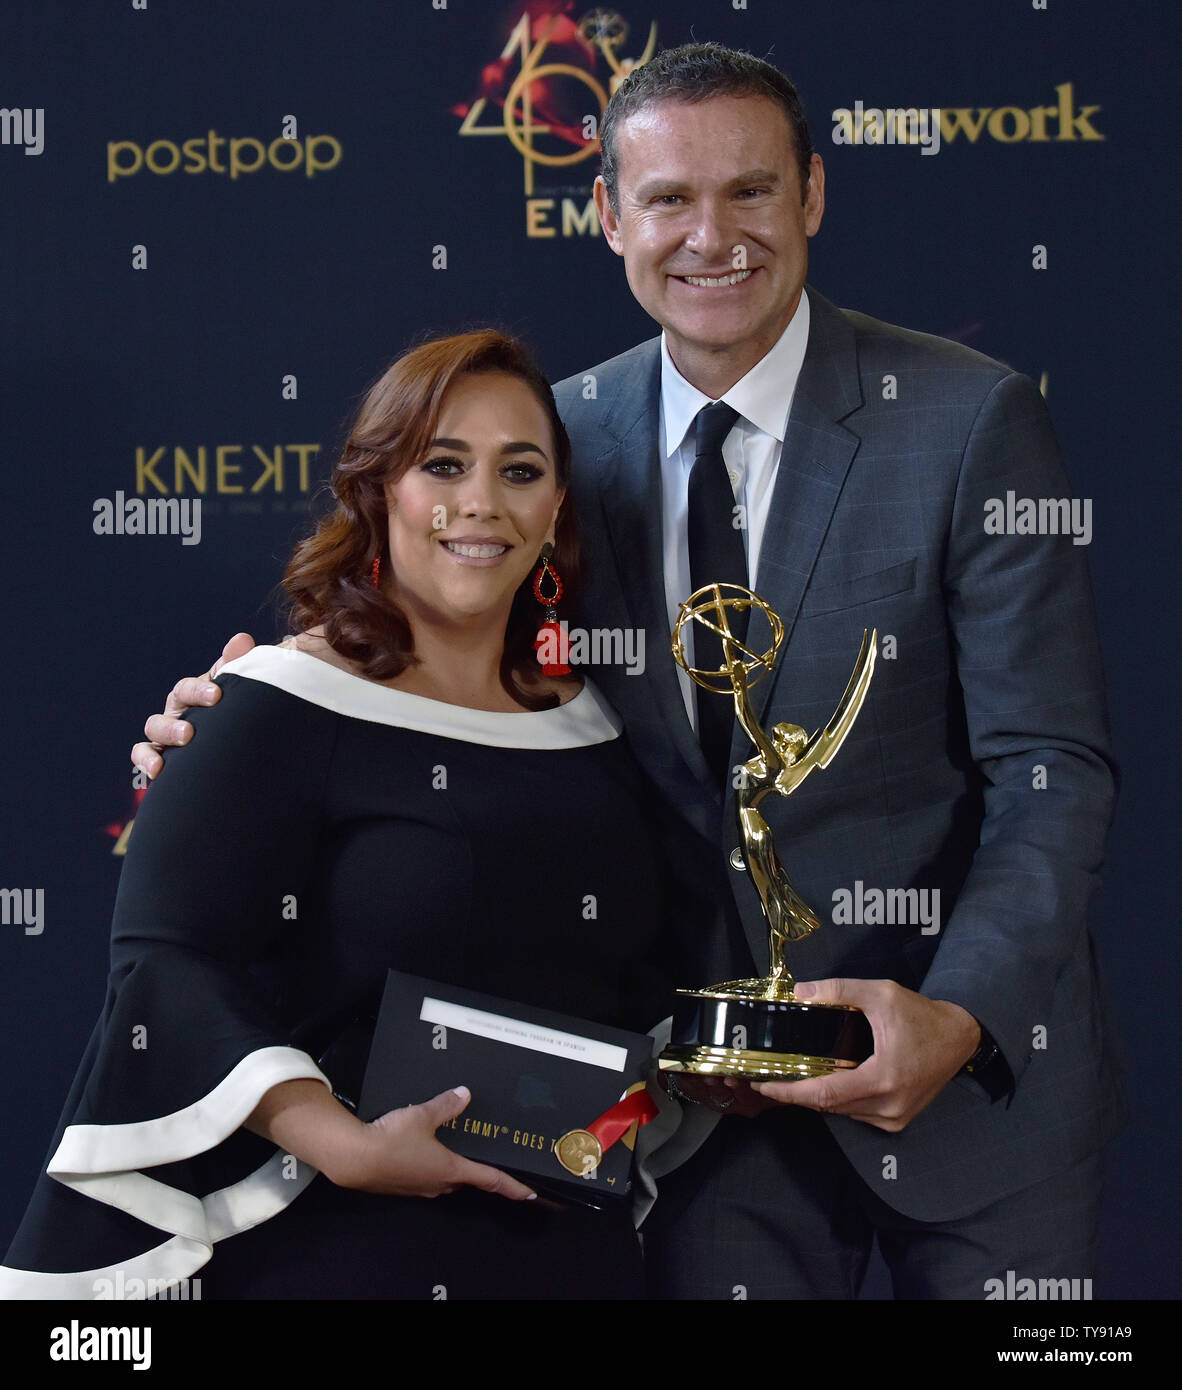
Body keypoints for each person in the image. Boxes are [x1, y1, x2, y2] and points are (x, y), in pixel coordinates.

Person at [126, 43, 1122, 1300]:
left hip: (981, 1116)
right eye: (667, 199)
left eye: (751, 192)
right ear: (608, 215)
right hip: (700, 1125)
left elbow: (1051, 765)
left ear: (811, 195)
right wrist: (229, 724)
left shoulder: (970, 421)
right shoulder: (552, 445)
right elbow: (413, 670)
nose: (712, 236)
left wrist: (962, 1015)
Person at [0, 330, 693, 1300]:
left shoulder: (595, 726)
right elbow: (167, 958)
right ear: (378, 491)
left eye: (520, 469)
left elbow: (627, 999)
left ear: (555, 512)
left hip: (569, 1258)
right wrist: (348, 1145)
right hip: (338, 1244)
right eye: (442, 463)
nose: (482, 501)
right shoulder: (273, 699)